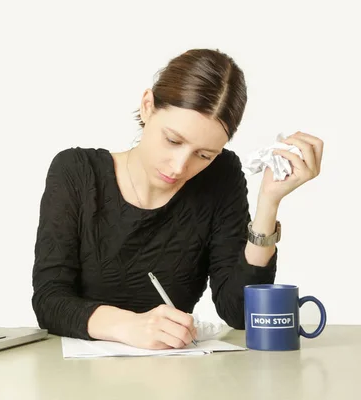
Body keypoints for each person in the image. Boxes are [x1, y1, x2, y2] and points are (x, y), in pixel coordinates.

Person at [31, 48, 324, 350]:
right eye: (172, 140)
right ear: (147, 106)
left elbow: (239, 313)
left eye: (204, 155)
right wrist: (130, 326)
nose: (180, 167)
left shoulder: (220, 177)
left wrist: (268, 204)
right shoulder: (77, 173)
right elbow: (49, 301)